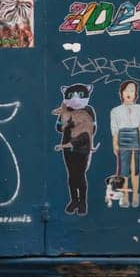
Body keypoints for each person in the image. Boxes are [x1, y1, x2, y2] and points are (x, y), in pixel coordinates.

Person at [54, 84, 97, 216]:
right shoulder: (65, 109)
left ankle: (82, 202)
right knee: (71, 176)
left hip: (82, 149)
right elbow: (58, 128)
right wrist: (64, 119)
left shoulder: (88, 110)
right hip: (68, 148)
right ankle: (74, 201)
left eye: (80, 94)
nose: (76, 98)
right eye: (72, 95)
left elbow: (92, 129)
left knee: (81, 175)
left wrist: (76, 128)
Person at [109, 80, 140, 208]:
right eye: (126, 90)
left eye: (132, 90)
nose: (129, 93)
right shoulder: (115, 110)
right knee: (124, 170)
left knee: (135, 169)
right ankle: (125, 196)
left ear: (136, 93)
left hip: (135, 137)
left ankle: (136, 194)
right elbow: (114, 129)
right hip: (122, 138)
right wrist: (115, 144)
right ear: (121, 93)